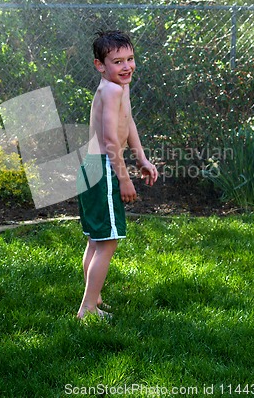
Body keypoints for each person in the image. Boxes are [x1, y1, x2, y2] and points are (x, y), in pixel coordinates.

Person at [77, 30, 158, 319]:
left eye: (130, 59)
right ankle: (87, 309)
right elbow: (111, 140)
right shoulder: (110, 90)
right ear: (100, 65)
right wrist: (124, 178)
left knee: (96, 240)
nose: (126, 67)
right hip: (103, 168)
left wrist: (142, 159)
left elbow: (129, 122)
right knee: (107, 243)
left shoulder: (120, 87)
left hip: (92, 166)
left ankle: (94, 298)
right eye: (117, 61)